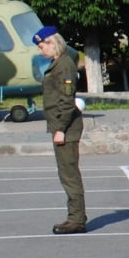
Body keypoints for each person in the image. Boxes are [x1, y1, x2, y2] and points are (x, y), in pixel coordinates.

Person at [34, 25, 85, 234]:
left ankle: (77, 220)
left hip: (66, 128)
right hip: (61, 126)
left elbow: (66, 100)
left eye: (41, 46)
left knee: (69, 174)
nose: (40, 51)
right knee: (66, 173)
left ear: (52, 43)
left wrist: (61, 129)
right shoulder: (59, 63)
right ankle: (75, 217)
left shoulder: (64, 65)